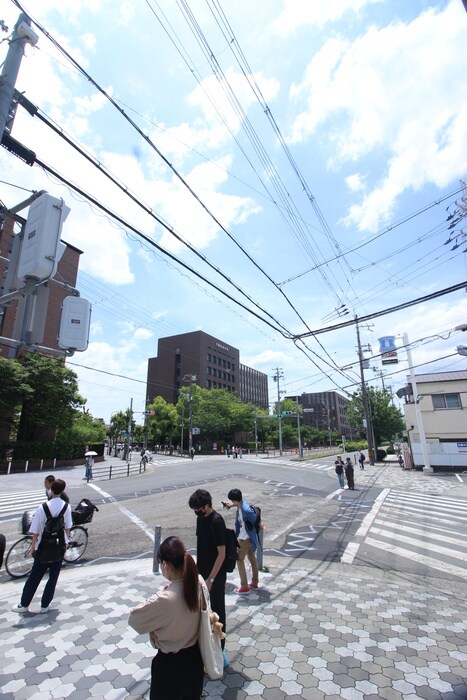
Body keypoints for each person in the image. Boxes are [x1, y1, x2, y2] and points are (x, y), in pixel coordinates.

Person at [129, 536, 204, 700]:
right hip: (195, 661)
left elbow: (133, 620)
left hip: (170, 668)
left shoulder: (163, 599)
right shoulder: (198, 584)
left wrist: (160, 595)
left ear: (165, 565)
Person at [12, 479, 72, 614]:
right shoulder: (66, 507)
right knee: (53, 578)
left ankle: (24, 604)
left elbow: (36, 530)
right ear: (62, 491)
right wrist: (65, 544)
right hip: (59, 547)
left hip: (43, 547)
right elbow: (67, 528)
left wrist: (33, 547)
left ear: (51, 490)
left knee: (35, 576)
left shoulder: (43, 507)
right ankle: (45, 605)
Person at [188, 489, 228, 665]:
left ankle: (220, 650)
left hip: (216, 576)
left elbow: (222, 554)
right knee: (203, 611)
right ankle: (205, 648)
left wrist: (211, 579)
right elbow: (201, 546)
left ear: (206, 505)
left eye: (198, 509)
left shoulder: (217, 521)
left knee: (217, 612)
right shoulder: (200, 519)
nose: (196, 512)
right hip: (202, 573)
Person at [224, 488, 259, 595]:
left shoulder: (245, 510)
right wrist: (230, 505)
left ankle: (244, 586)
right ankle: (254, 582)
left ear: (236, 500)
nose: (232, 502)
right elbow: (239, 504)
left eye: (232, 500)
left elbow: (254, 518)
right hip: (246, 536)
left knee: (239, 559)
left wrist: (259, 525)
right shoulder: (242, 502)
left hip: (245, 537)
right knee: (252, 558)